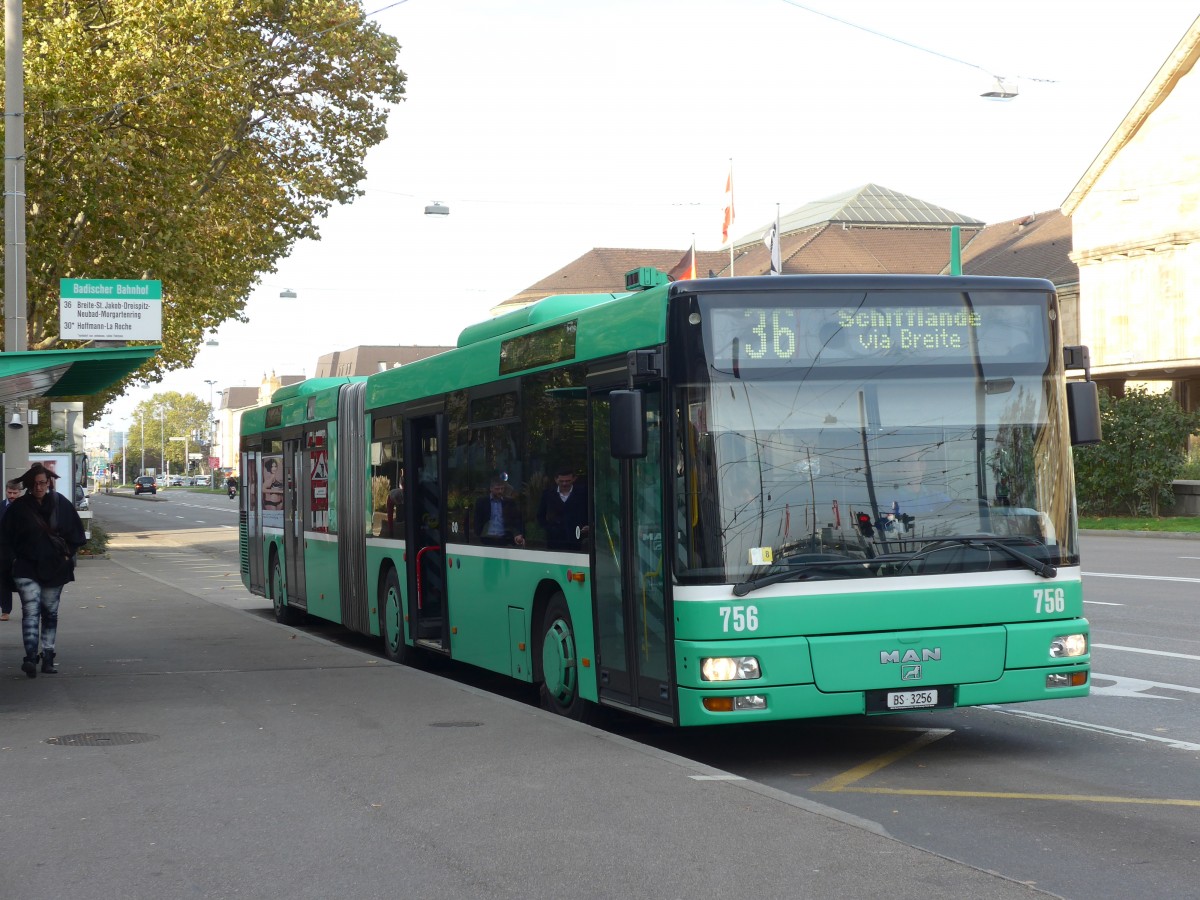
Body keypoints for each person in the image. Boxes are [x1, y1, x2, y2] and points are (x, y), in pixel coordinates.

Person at [0, 463, 87, 678]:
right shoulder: (19, 508)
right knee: (30, 611)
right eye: (35, 484)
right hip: (25, 567)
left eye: (42, 483)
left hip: (55, 567)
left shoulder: (60, 504)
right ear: (28, 485)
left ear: (48, 482)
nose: (39, 487)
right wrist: (12, 561)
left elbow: (75, 534)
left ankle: (48, 656)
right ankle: (30, 657)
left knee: (50, 612)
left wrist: (67, 555)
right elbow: (4, 538)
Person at [536, 466, 589, 550]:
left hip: (577, 539)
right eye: (561, 481)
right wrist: (548, 528)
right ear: (556, 480)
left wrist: (587, 525)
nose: (564, 484)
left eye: (567, 481)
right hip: (554, 540)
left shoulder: (583, 494)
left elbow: (588, 512)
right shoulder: (548, 494)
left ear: (574, 479)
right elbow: (540, 515)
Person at [473, 477, 525, 547]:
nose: (500, 491)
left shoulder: (509, 503)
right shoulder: (482, 502)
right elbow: (477, 520)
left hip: (504, 539)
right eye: (497, 489)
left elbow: (517, 520)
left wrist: (518, 534)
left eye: (502, 488)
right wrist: (478, 535)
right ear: (491, 489)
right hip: (486, 539)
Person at [0, 479, 23, 620]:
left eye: (15, 493)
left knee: (23, 580)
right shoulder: (1, 507)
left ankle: (30, 609)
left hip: (21, 551)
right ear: (6, 491)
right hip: (3, 550)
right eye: (10, 492)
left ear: (20, 492)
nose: (12, 495)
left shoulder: (26, 507)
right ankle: (5, 610)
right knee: (3, 581)